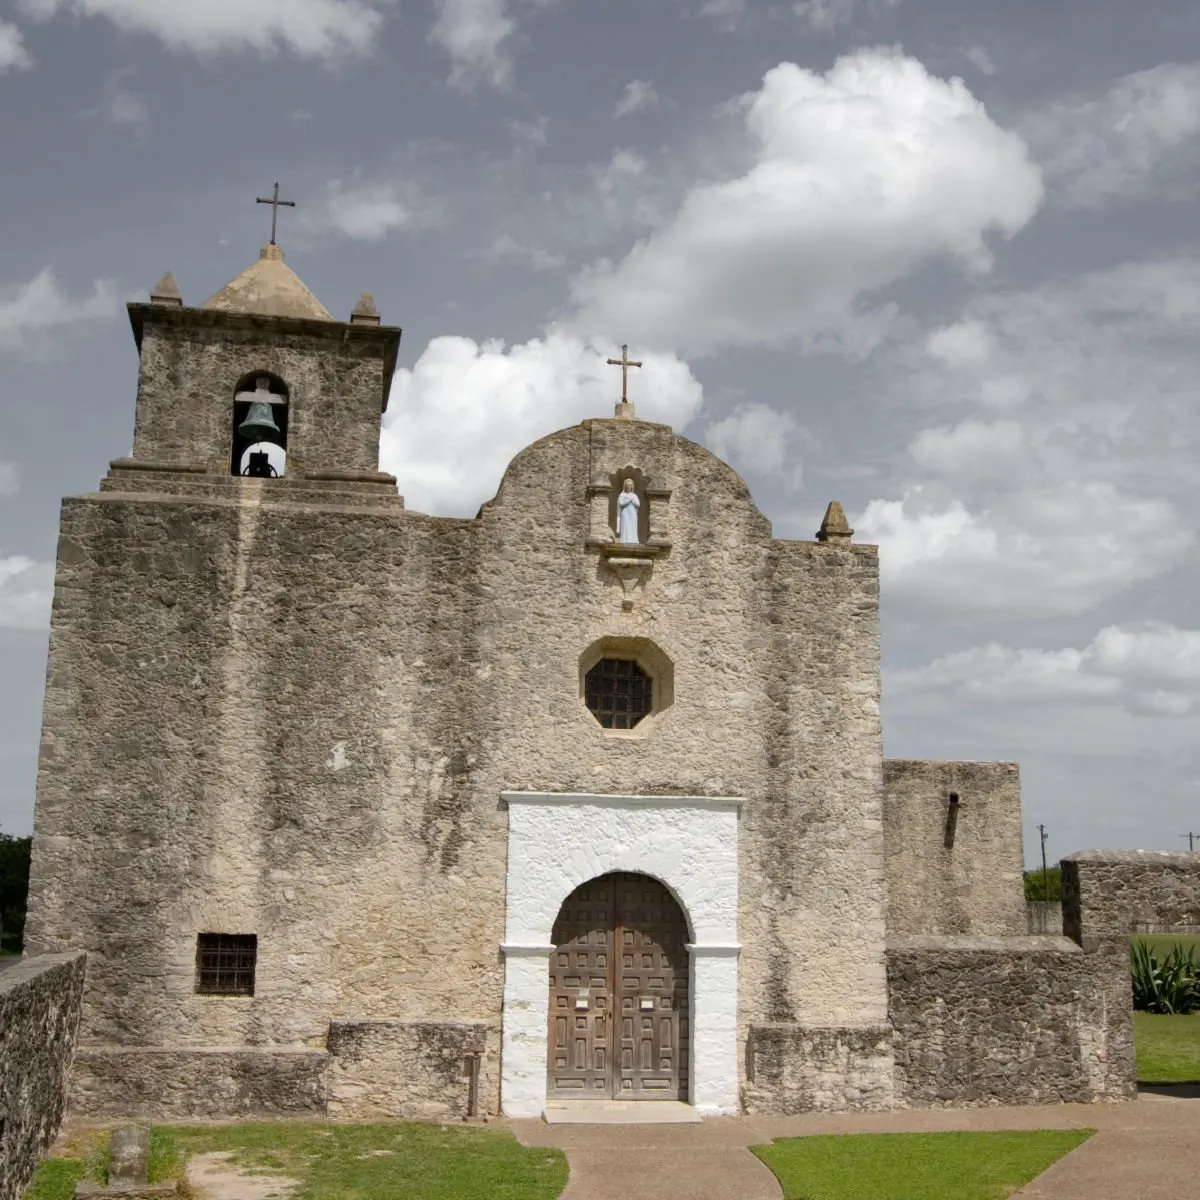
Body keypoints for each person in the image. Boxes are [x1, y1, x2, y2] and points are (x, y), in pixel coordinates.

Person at [617, 479, 640, 544]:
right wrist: (628, 500)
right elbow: (621, 503)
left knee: (632, 526)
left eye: (630, 485)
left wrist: (633, 501)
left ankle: (633, 540)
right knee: (626, 525)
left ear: (632, 486)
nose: (628, 487)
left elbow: (638, 504)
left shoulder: (634, 495)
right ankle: (624, 539)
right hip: (625, 512)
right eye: (627, 485)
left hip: (632, 512)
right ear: (625, 486)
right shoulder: (622, 495)